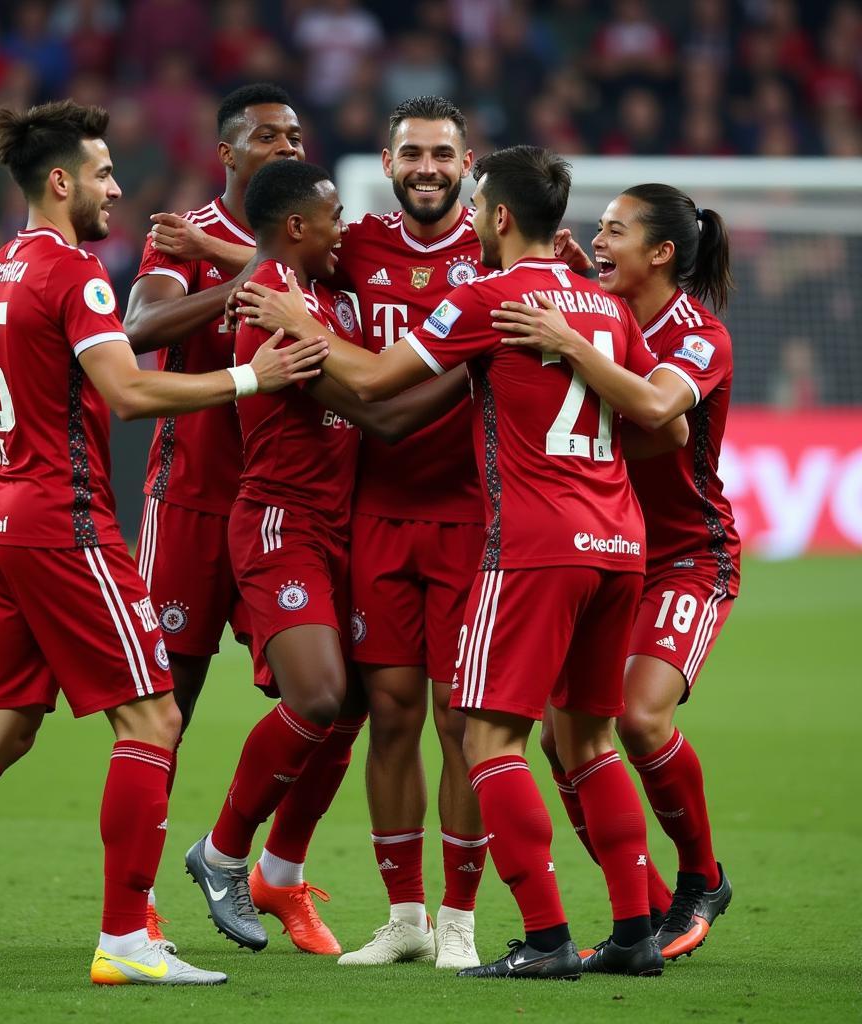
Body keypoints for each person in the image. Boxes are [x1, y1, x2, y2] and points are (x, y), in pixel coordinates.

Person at [0, 99, 327, 988]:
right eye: (105, 174)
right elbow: (133, 390)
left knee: (1, 726)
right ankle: (126, 939)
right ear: (61, 181)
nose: (117, 188)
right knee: (152, 718)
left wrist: (34, 400)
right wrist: (249, 375)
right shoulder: (77, 274)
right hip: (62, 521)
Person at [235, 144, 691, 979]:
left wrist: (304, 329)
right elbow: (669, 428)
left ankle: (547, 938)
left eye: (480, 205)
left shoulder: (486, 296)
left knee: (487, 739)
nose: (472, 219)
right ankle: (634, 932)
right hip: (620, 543)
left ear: (501, 215)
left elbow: (372, 381)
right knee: (589, 742)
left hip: (533, 546)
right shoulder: (604, 308)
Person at [183, 159, 473, 958]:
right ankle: (223, 852)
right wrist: (471, 359)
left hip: (341, 529)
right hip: (283, 522)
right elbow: (382, 419)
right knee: (318, 698)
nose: (346, 225)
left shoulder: (322, 293)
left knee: (354, 708)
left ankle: (280, 868)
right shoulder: (277, 308)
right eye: (334, 214)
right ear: (299, 227)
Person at [494, 183, 738, 961]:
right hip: (609, 549)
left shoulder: (698, 335)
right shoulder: (604, 309)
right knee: (567, 741)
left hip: (688, 556)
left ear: (661, 252)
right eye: (594, 228)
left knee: (637, 719)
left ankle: (702, 877)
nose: (595, 241)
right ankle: (649, 912)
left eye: (614, 231)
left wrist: (569, 343)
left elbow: (660, 412)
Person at [123, 83, 305, 948]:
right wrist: (237, 275)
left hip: (291, 507)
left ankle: (259, 866)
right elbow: (140, 324)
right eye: (268, 136)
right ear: (228, 153)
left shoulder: (312, 233)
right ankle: (135, 903)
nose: (287, 145)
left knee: (327, 701)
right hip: (193, 501)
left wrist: (245, 262)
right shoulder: (181, 234)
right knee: (169, 709)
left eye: (296, 133)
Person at [330, 96, 487, 971]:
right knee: (390, 716)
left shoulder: (497, 252)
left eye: (442, 153)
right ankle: (404, 917)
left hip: (474, 514)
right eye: (412, 154)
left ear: (469, 162)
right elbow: (276, 263)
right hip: (377, 513)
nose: (427, 166)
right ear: (387, 165)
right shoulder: (353, 248)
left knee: (463, 722)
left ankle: (460, 922)